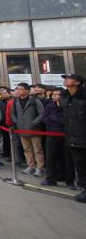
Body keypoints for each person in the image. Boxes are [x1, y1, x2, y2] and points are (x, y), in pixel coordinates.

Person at [40, 88, 76, 190]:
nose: (55, 96)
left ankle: (69, 180)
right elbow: (45, 118)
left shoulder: (68, 106)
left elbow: (67, 120)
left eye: (57, 94)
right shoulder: (49, 106)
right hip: (51, 134)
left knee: (67, 159)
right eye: (53, 95)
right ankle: (50, 178)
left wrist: (54, 118)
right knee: (51, 158)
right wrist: (56, 119)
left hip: (65, 135)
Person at [58, 74, 86, 203]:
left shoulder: (83, 97)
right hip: (72, 136)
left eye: (69, 78)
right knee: (79, 164)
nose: (65, 80)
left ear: (77, 82)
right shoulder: (65, 98)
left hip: (82, 135)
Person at [11, 83, 45, 177]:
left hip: (34, 128)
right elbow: (12, 112)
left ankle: (40, 167)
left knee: (37, 149)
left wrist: (34, 123)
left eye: (21, 89)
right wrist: (16, 122)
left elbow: (42, 113)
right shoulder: (16, 101)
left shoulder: (35, 101)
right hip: (22, 128)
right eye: (18, 89)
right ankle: (31, 166)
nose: (18, 91)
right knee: (27, 148)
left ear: (27, 90)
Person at [0, 87, 12, 161]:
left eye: (5, 93)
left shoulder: (13, 101)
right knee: (5, 138)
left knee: (11, 140)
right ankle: (6, 152)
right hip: (3, 123)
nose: (3, 95)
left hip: (11, 123)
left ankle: (11, 154)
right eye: (2, 94)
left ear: (9, 93)